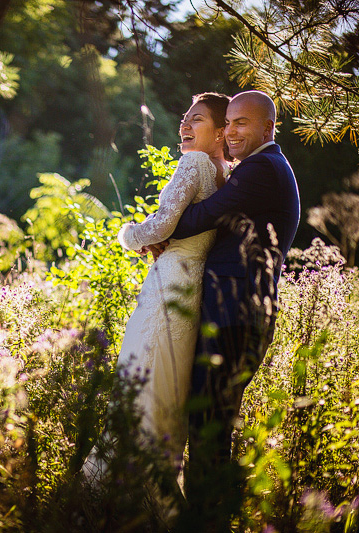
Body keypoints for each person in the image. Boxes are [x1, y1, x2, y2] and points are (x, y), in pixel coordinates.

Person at [82, 93, 232, 502]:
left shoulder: (195, 163)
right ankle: (155, 485)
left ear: (221, 131)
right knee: (169, 388)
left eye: (196, 120)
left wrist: (129, 235)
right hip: (195, 287)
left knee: (142, 378)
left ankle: (123, 493)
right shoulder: (228, 172)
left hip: (169, 286)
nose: (184, 125)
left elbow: (162, 223)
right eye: (184, 118)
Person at [163, 90, 300, 530]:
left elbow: (202, 216)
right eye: (231, 122)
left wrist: (158, 230)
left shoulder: (262, 168)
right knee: (210, 429)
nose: (232, 131)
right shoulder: (258, 169)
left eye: (243, 123)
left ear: (268, 128)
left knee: (209, 431)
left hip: (235, 317)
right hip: (235, 315)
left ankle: (208, 522)